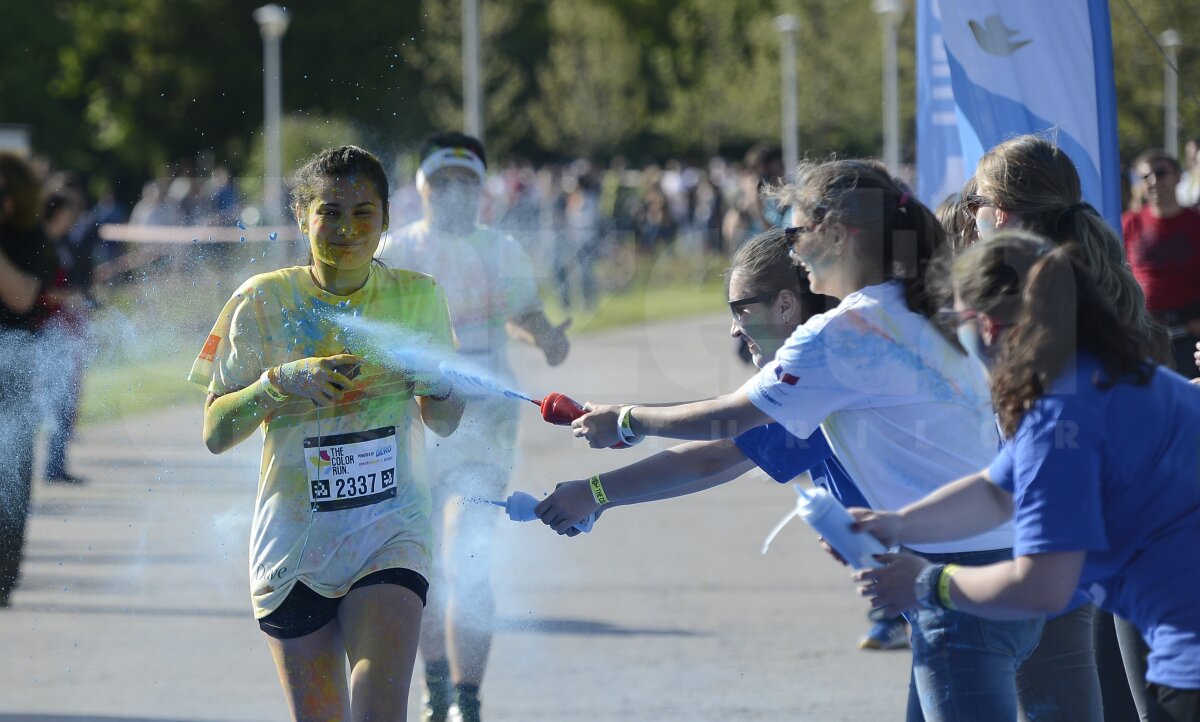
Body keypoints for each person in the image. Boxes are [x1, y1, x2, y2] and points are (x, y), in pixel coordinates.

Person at [559, 159, 1035, 721]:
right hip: (994, 569)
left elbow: (722, 436)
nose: (795, 249)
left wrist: (626, 423)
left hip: (955, 586)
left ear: (837, 235)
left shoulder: (841, 338)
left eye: (796, 231)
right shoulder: (914, 308)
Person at [858, 232, 1200, 722]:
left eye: (956, 323)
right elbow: (995, 493)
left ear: (990, 327)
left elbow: (1043, 588)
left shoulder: (1061, 416)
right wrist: (894, 524)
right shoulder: (1116, 377)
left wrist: (929, 583)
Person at [535, 227, 909, 651]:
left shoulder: (825, 370)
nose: (734, 330)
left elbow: (716, 449)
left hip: (950, 585)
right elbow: (725, 451)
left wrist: (620, 434)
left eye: (740, 310)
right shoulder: (840, 356)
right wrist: (601, 492)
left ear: (785, 304)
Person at [190, 145, 465, 721]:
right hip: (294, 544)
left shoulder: (419, 298)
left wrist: (434, 383)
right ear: (301, 216)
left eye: (363, 212)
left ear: (387, 218)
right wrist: (277, 384)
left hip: (390, 532)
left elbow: (444, 418)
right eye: (329, 212)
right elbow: (215, 431)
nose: (346, 228)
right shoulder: (261, 301)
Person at [972, 133, 1174, 721]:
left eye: (975, 204)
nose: (974, 217)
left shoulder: (1040, 301)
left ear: (1002, 214)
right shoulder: (1091, 277)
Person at [374, 132, 570, 722]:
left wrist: (547, 335)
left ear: (481, 192)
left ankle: (468, 699)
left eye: (467, 185)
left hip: (485, 423)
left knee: (470, 555)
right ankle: (436, 690)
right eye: (443, 184)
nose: (454, 195)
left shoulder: (499, 249)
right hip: (413, 424)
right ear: (423, 188)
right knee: (424, 563)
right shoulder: (397, 250)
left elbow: (520, 314)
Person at [0, 151, 58, 608]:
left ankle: (3, 575)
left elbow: (21, 298)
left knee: (12, 471)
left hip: (14, 362)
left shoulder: (29, 238)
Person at [1122, 148, 1200, 379]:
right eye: (1146, 177)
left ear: (1178, 177)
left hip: (1189, 334)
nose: (1154, 181)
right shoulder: (1128, 223)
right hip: (1144, 334)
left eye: (1161, 172)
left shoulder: (1195, 223)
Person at [36, 189, 90, 484]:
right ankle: (50, 467)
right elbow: (37, 291)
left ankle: (56, 465)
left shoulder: (63, 244)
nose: (73, 220)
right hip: (46, 333)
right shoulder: (40, 245)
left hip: (64, 332)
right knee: (54, 400)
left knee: (66, 399)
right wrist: (67, 298)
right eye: (69, 213)